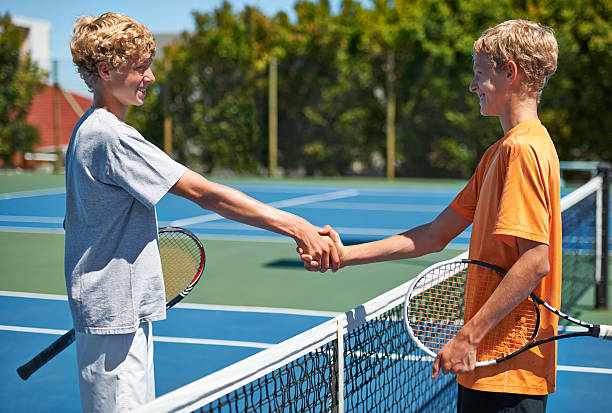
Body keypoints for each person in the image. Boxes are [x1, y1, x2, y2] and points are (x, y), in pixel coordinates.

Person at [65, 12, 338, 412]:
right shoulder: (110, 136)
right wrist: (296, 226)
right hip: (115, 320)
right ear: (106, 71)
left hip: (115, 316)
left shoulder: (86, 128)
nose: (151, 77)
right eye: (141, 67)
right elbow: (206, 194)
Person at [303, 19, 561, 412]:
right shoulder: (499, 153)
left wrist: (469, 337)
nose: (473, 87)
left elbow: (535, 260)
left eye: (479, 75)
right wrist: (344, 254)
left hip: (504, 371)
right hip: (488, 368)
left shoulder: (522, 151)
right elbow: (433, 235)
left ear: (511, 72)